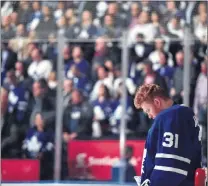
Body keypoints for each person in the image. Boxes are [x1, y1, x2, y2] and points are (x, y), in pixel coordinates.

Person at [133, 83, 201, 186]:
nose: (149, 116)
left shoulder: (172, 116)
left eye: (148, 110)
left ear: (157, 102)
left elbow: (170, 168)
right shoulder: (175, 116)